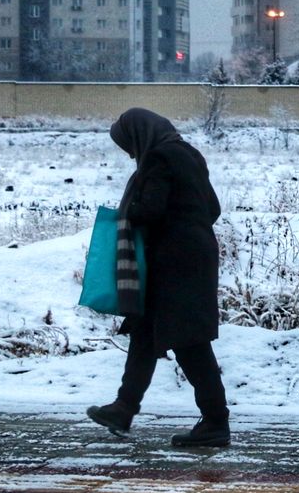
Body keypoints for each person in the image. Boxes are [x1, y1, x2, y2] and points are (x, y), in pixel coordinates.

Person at [87, 107, 230, 447]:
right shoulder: (189, 154)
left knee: (189, 342)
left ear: (140, 136)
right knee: (145, 333)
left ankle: (215, 422)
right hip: (193, 257)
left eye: (129, 145)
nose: (131, 153)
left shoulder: (159, 158)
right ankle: (124, 408)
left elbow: (150, 209)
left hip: (173, 264)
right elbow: (213, 208)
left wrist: (125, 215)